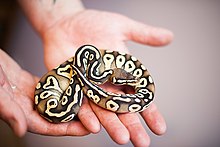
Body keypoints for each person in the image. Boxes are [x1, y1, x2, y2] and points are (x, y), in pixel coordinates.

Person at [0, 0, 173, 146]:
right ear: (112, 77)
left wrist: (57, 16)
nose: (129, 80)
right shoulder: (91, 67)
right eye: (125, 78)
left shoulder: (90, 65)